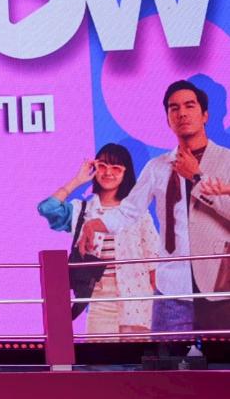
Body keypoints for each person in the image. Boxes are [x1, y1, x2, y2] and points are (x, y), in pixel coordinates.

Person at [80, 80, 230, 332]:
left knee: (222, 356)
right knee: (165, 355)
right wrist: (96, 223)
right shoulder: (157, 167)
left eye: (189, 106)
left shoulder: (226, 160)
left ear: (205, 115)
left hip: (219, 284)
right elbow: (129, 211)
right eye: (174, 108)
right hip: (171, 287)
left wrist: (197, 177)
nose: (182, 113)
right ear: (168, 119)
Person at [37, 144, 157, 335]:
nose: (108, 172)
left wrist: (156, 302)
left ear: (126, 173)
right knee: (99, 352)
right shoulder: (82, 210)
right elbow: (47, 208)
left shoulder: (138, 213)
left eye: (116, 168)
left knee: (138, 353)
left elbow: (153, 262)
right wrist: (78, 180)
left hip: (138, 299)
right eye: (102, 166)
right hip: (99, 298)